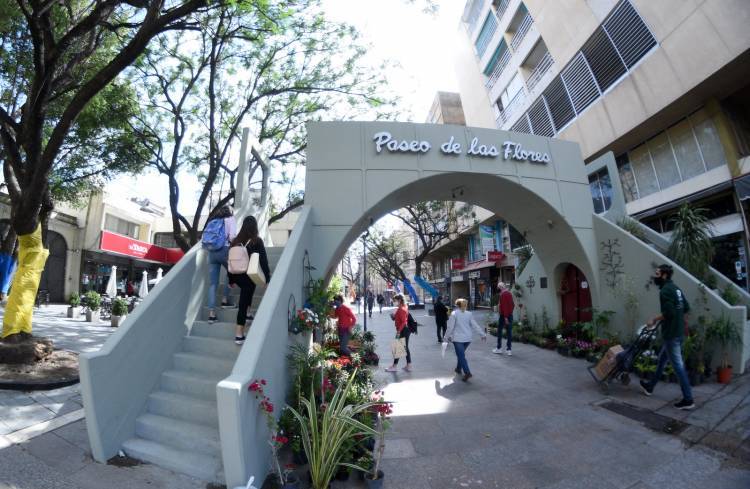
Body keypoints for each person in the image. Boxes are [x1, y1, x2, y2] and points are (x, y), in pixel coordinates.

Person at [640, 264, 694, 410]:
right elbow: (686, 308)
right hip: (679, 332)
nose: (655, 276)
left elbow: (669, 313)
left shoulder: (664, 291)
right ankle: (650, 387)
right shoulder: (676, 289)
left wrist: (654, 319)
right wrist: (683, 324)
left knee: (678, 367)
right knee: (662, 361)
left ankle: (688, 399)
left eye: (657, 274)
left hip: (672, 334)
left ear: (664, 275)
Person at [227, 216, 270, 345]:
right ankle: (239, 333)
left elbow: (229, 260)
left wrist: (230, 280)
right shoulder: (256, 241)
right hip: (247, 275)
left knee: (249, 290)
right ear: (255, 227)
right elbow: (263, 261)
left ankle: (248, 313)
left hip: (235, 274)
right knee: (243, 301)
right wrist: (267, 278)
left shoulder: (235, 241)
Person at [205, 205, 237, 323]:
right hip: (224, 250)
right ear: (230, 212)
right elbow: (232, 237)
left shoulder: (213, 221)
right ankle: (225, 299)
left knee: (213, 284)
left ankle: (211, 314)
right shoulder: (230, 219)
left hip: (212, 252)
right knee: (232, 273)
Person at [445, 298, 487, 382]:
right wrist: (482, 334)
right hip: (468, 339)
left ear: (457, 305)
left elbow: (450, 327)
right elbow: (475, 325)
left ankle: (467, 372)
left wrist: (445, 337)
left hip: (458, 339)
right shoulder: (469, 314)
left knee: (461, 355)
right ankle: (458, 368)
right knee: (461, 354)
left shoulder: (454, 314)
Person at [385, 294, 412, 372]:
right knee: (404, 347)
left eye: (395, 300)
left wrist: (399, 331)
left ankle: (394, 366)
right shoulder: (403, 307)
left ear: (399, 300)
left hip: (403, 330)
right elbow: (400, 319)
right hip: (404, 330)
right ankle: (408, 365)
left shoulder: (401, 309)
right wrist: (393, 317)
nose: (394, 302)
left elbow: (403, 322)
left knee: (398, 347)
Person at [493, 282, 515, 356]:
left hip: (504, 316)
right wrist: (509, 313)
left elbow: (504, 306)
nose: (498, 289)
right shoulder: (509, 293)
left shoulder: (503, 294)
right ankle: (509, 349)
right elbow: (512, 305)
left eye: (498, 287)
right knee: (509, 332)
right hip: (510, 315)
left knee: (499, 331)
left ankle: (499, 348)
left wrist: (505, 317)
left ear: (500, 287)